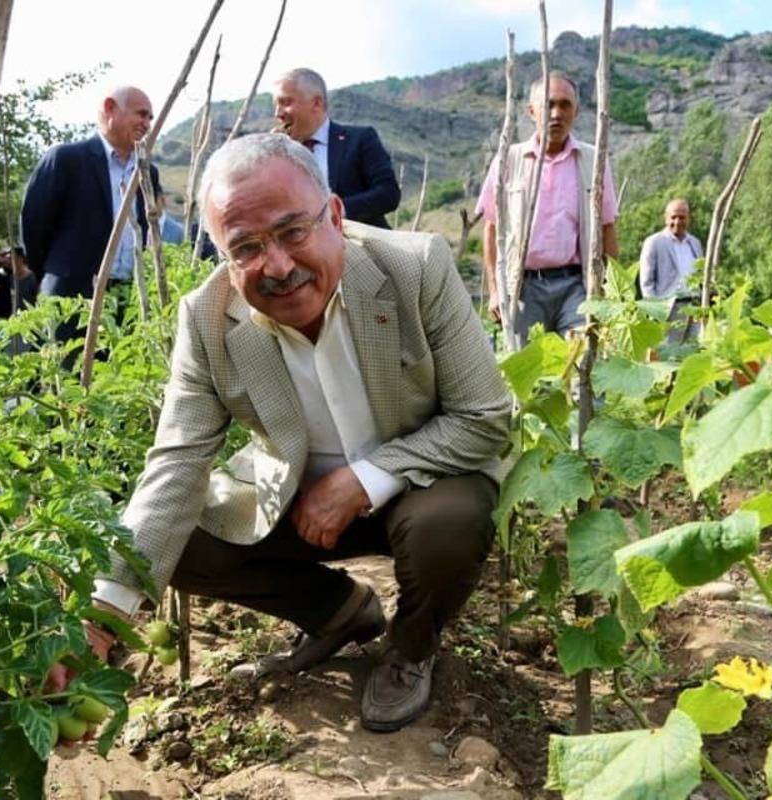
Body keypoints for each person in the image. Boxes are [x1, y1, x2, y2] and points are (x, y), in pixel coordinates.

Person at [80, 133, 510, 732]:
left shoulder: (415, 268)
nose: (277, 266)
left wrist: (363, 481)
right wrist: (104, 617)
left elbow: (484, 416)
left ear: (334, 215)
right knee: (183, 538)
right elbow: (176, 462)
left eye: (292, 232)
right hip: (298, 502)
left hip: (423, 483)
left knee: (450, 524)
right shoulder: (207, 320)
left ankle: (411, 648)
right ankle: (341, 612)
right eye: (247, 248)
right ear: (223, 256)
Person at [476, 73, 618, 344]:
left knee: (580, 371)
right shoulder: (509, 159)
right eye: (548, 105)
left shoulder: (594, 160)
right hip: (523, 288)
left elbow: (607, 228)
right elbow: (492, 228)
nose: (556, 113)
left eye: (565, 105)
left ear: (576, 112)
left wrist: (609, 294)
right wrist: (495, 291)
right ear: (531, 111)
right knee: (526, 376)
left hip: (578, 287)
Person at [20, 86, 153, 300]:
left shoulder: (146, 172)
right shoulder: (66, 160)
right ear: (110, 108)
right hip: (69, 296)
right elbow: (34, 224)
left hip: (127, 298)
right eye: (141, 114)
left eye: (150, 118)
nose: (147, 124)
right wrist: (54, 270)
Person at [273, 68, 400, 229]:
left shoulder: (360, 139)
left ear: (316, 103)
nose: (278, 113)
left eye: (286, 102)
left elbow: (388, 194)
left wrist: (336, 210)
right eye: (276, 105)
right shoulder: (280, 154)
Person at [639, 198, 703, 343]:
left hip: (694, 306)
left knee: (691, 352)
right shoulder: (654, 242)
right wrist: (655, 312)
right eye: (673, 217)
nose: (677, 221)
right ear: (666, 218)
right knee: (668, 354)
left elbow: (701, 274)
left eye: (682, 217)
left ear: (688, 218)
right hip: (669, 308)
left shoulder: (695, 243)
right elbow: (646, 282)